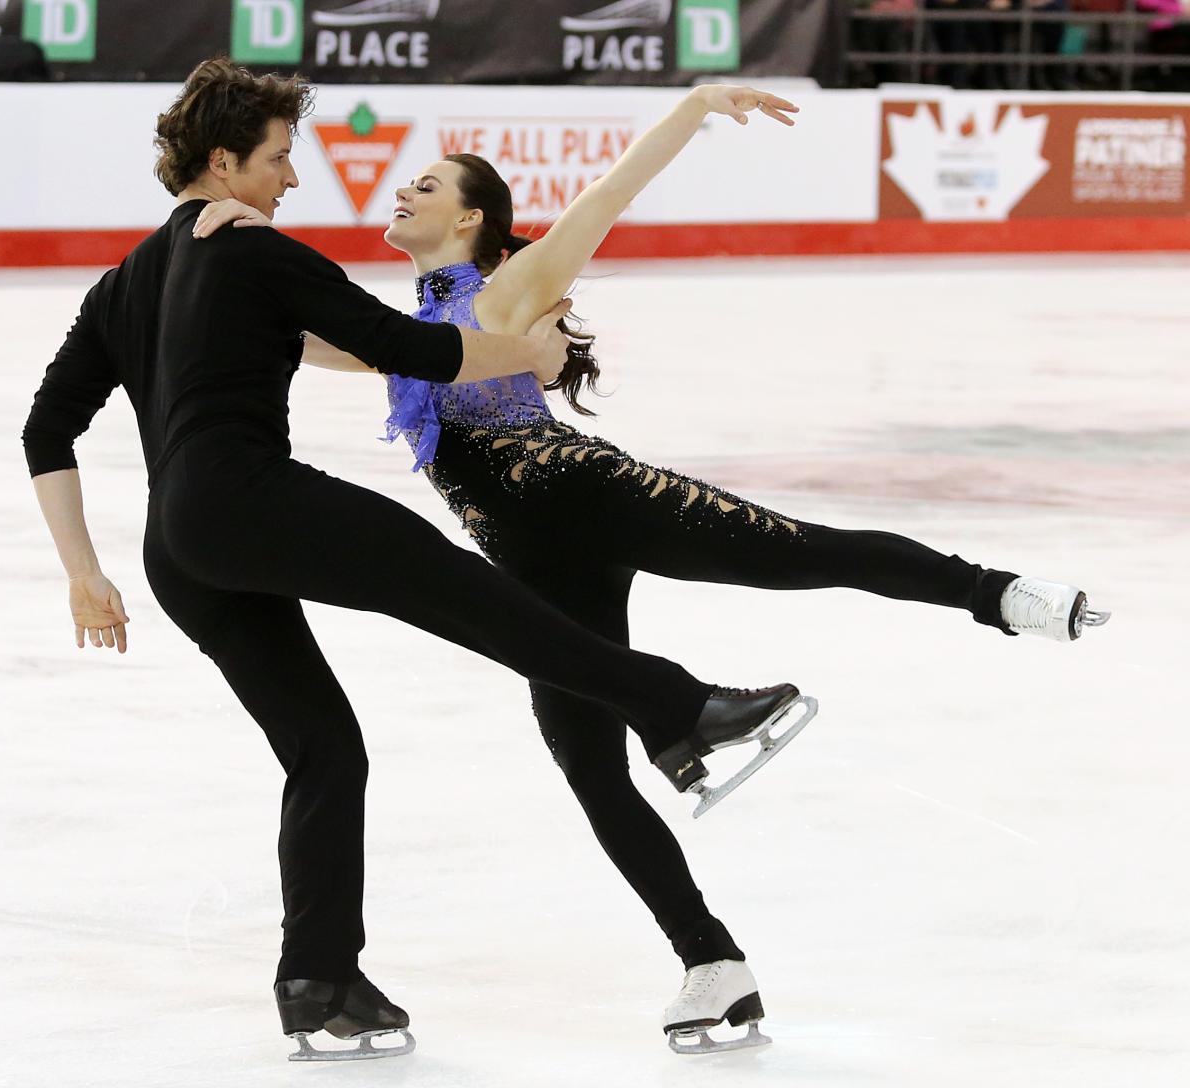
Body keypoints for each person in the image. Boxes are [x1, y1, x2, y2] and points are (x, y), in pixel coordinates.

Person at [196, 81, 1110, 1054]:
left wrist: (694, 108)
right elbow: (280, 328)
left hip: (595, 495)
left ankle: (1002, 594)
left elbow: (605, 196)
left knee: (803, 551)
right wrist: (201, 263)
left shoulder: (511, 287)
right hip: (530, 567)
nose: (403, 193)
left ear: (469, 216)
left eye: (425, 185)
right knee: (590, 769)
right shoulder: (404, 337)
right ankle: (712, 961)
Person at [23, 60, 809, 1062]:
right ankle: (674, 709)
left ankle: (318, 979)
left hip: (175, 547)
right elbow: (416, 348)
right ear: (223, 162)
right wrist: (525, 358)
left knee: (323, 747)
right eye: (274, 160)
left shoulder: (123, 280)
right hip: (249, 499)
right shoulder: (259, 250)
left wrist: (83, 572)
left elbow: (47, 427)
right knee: (469, 592)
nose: (289, 182)